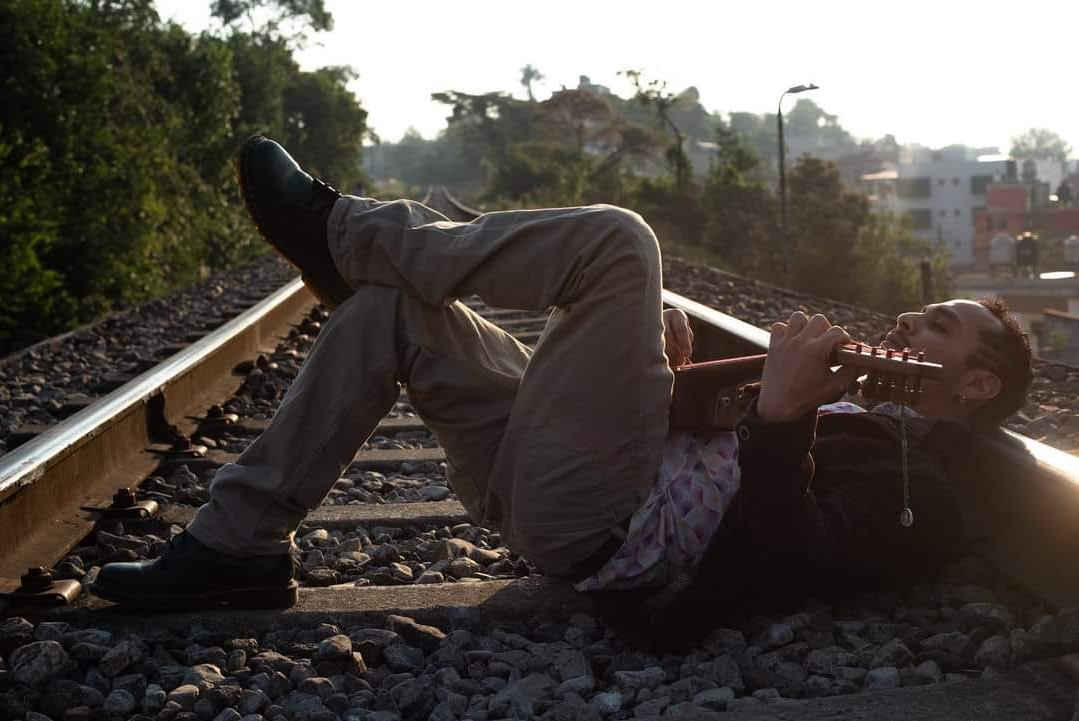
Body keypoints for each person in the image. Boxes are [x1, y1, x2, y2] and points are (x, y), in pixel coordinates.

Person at [90, 138, 1033, 634]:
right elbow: (688, 442)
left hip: (605, 527)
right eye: (922, 314)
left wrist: (786, 422)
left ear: (977, 383)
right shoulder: (854, 391)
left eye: (939, 327)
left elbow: (786, 559)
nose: (910, 325)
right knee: (387, 313)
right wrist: (669, 374)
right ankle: (236, 546)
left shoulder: (927, 490)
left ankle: (345, 235)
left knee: (622, 241)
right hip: (563, 476)